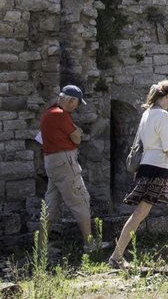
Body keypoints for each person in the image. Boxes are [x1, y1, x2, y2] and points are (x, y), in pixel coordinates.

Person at [108, 80, 168, 268]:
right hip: (158, 170)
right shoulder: (162, 114)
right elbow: (167, 148)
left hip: (149, 167)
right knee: (140, 213)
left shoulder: (146, 114)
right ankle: (116, 257)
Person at [40, 84, 106, 252]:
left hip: (52, 161)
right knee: (81, 199)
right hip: (65, 161)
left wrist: (76, 133)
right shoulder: (61, 115)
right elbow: (77, 139)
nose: (76, 106)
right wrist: (77, 132)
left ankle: (41, 246)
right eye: (76, 102)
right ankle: (90, 244)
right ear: (70, 100)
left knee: (50, 203)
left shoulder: (49, 113)